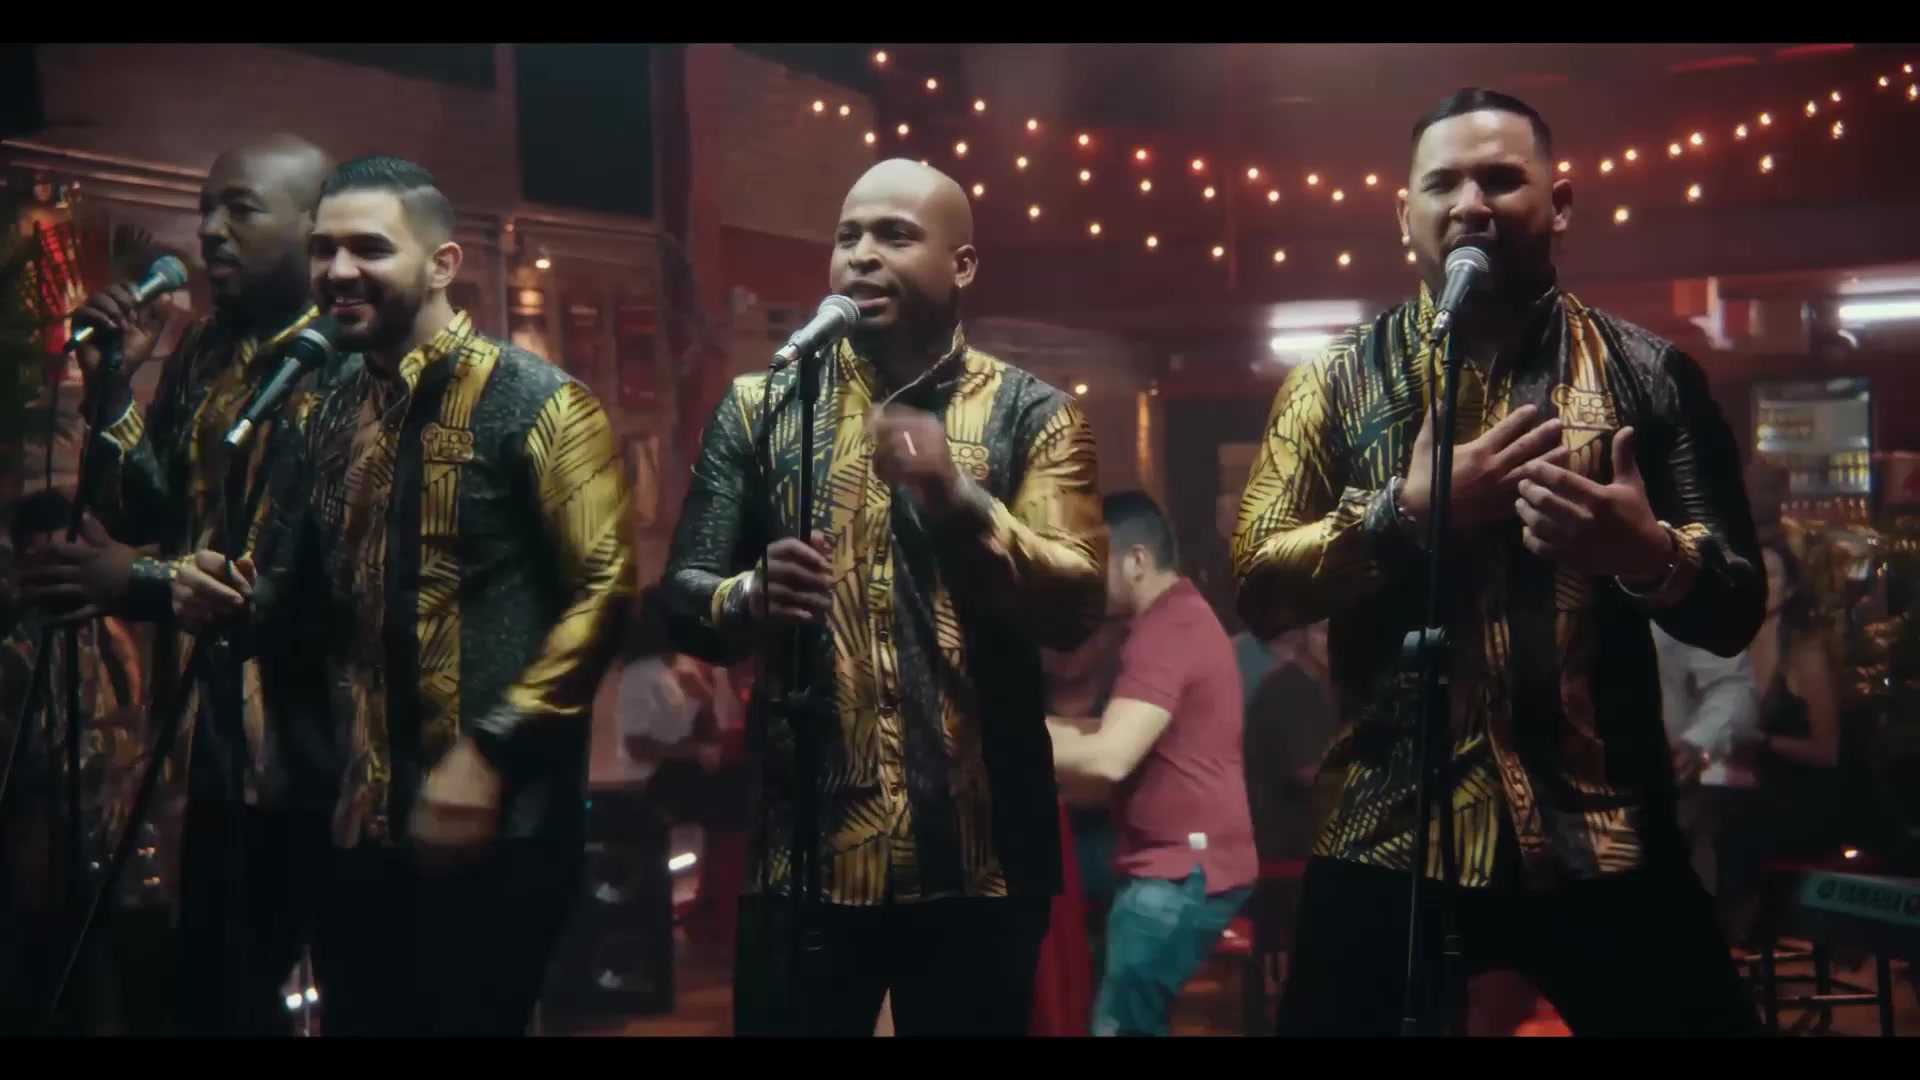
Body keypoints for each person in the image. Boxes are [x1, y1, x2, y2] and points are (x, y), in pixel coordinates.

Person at [1233, 88, 1764, 1037]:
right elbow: (1258, 589)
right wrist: (1404, 515)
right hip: (1388, 830)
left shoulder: (1650, 374)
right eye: (1443, 183)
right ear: (1404, 215)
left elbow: (1736, 606)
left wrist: (1646, 555)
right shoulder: (1333, 383)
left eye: (1501, 179)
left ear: (1560, 204)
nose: (1470, 204)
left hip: (1607, 829)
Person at [171, 155, 634, 1036]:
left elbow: (604, 594)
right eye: (324, 249)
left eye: (370, 249)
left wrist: (489, 753)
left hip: (498, 824)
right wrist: (216, 594)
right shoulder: (319, 406)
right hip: (352, 825)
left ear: (443, 263)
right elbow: (286, 592)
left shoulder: (541, 402)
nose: (338, 271)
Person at [661, 157, 1106, 1037]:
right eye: (848, 236)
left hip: (981, 857)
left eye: (895, 235)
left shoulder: (1036, 414)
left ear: (962, 265)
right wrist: (749, 595)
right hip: (803, 857)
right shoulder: (761, 407)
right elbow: (682, 597)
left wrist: (957, 498)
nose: (862, 254)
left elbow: (1076, 608)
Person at [18, 133, 340, 1036]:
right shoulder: (202, 348)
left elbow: (303, 564)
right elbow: (140, 510)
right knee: (213, 1000)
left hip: (327, 748)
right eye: (205, 211)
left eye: (241, 210)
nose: (210, 231)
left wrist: (140, 583)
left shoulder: (347, 362)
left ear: (314, 228)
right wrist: (112, 385)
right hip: (218, 741)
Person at [1047, 491, 1256, 1036]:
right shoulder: (1173, 619)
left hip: (1182, 871)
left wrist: (1004, 741)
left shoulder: (1169, 631)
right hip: (1180, 864)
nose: (1084, 579)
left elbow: (1111, 757)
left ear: (1136, 560)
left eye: (1094, 562)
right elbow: (1112, 731)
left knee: (1118, 1028)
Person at [1714, 537, 1846, 945]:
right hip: (1740, 788)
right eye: (1753, 572)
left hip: (1796, 799)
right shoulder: (1727, 648)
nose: (1762, 582)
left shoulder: (1804, 654)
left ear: (1789, 588)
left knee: (1722, 833)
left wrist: (1765, 742)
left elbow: (1827, 752)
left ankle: (1740, 940)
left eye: (1771, 574)